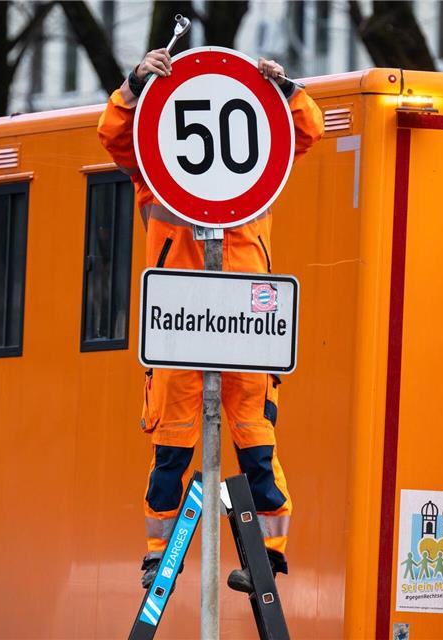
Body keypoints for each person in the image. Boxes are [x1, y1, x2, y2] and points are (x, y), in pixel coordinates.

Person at [97, 48, 323, 593]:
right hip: (197, 320)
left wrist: (284, 87)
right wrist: (133, 84)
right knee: (174, 448)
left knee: (254, 443)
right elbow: (113, 133)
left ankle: (267, 555)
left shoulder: (261, 160)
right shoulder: (155, 165)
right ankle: (160, 557)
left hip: (229, 320)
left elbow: (306, 129)